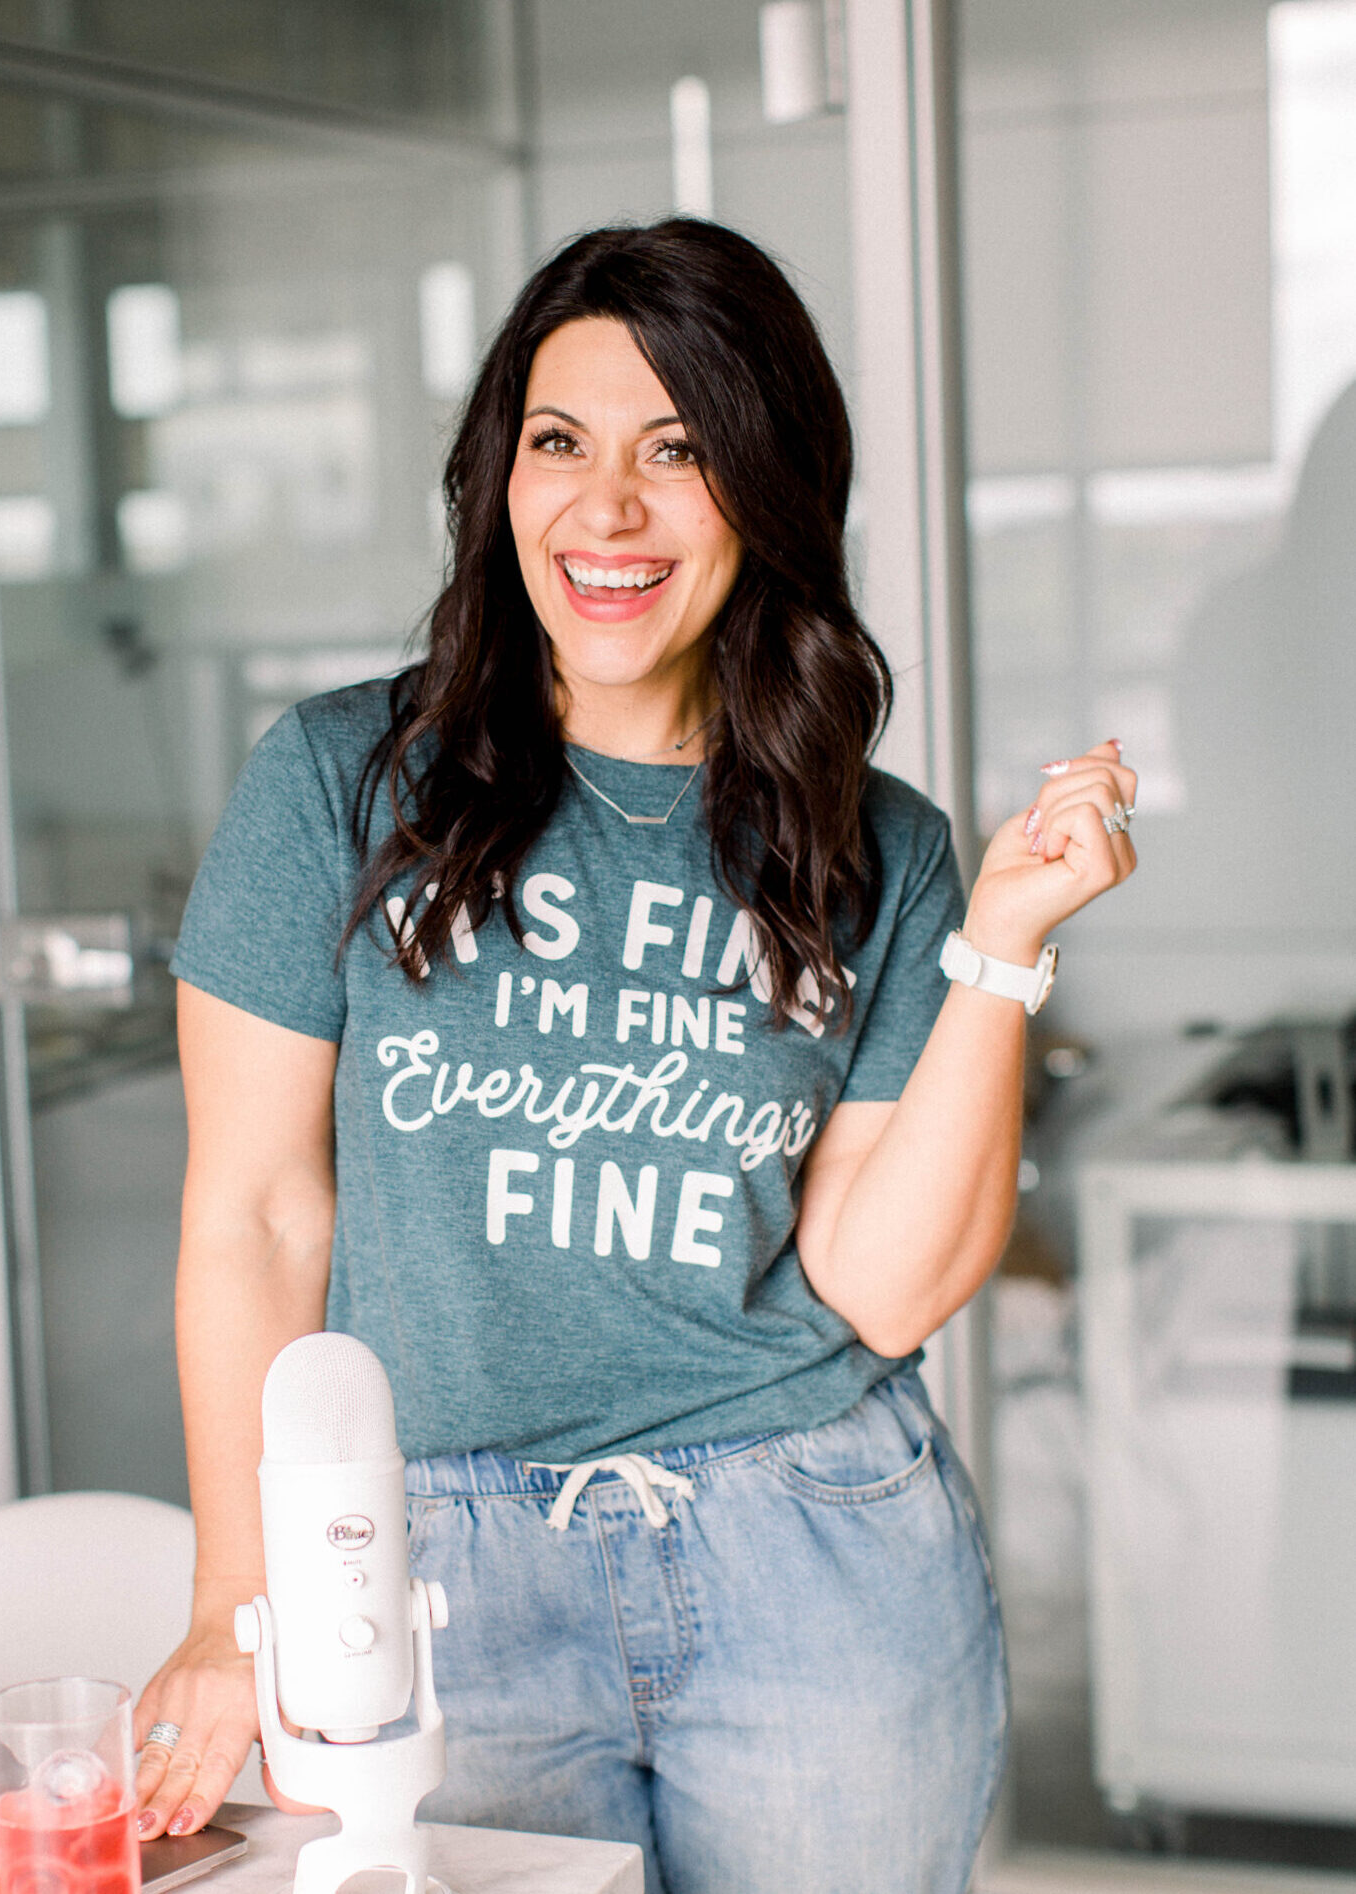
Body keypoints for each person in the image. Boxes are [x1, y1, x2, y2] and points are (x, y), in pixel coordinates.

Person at [133, 219, 1137, 1894]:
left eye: (676, 454)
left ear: (764, 489)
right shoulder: (335, 786)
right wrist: (238, 1608)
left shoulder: (876, 846)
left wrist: (1002, 946)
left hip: (813, 1550)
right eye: (560, 444)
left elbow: (880, 1286)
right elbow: (253, 1218)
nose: (606, 510)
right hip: (433, 1559)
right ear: (496, 479)